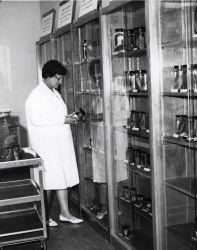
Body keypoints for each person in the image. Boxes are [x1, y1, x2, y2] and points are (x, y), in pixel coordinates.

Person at [25, 60, 83, 226]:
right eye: (58, 78)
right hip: (47, 146)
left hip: (59, 143)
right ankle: (43, 216)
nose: (60, 82)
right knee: (49, 181)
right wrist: (63, 119)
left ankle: (65, 213)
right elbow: (37, 119)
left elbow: (57, 115)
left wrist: (69, 118)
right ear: (47, 76)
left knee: (61, 176)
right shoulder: (36, 95)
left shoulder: (54, 93)